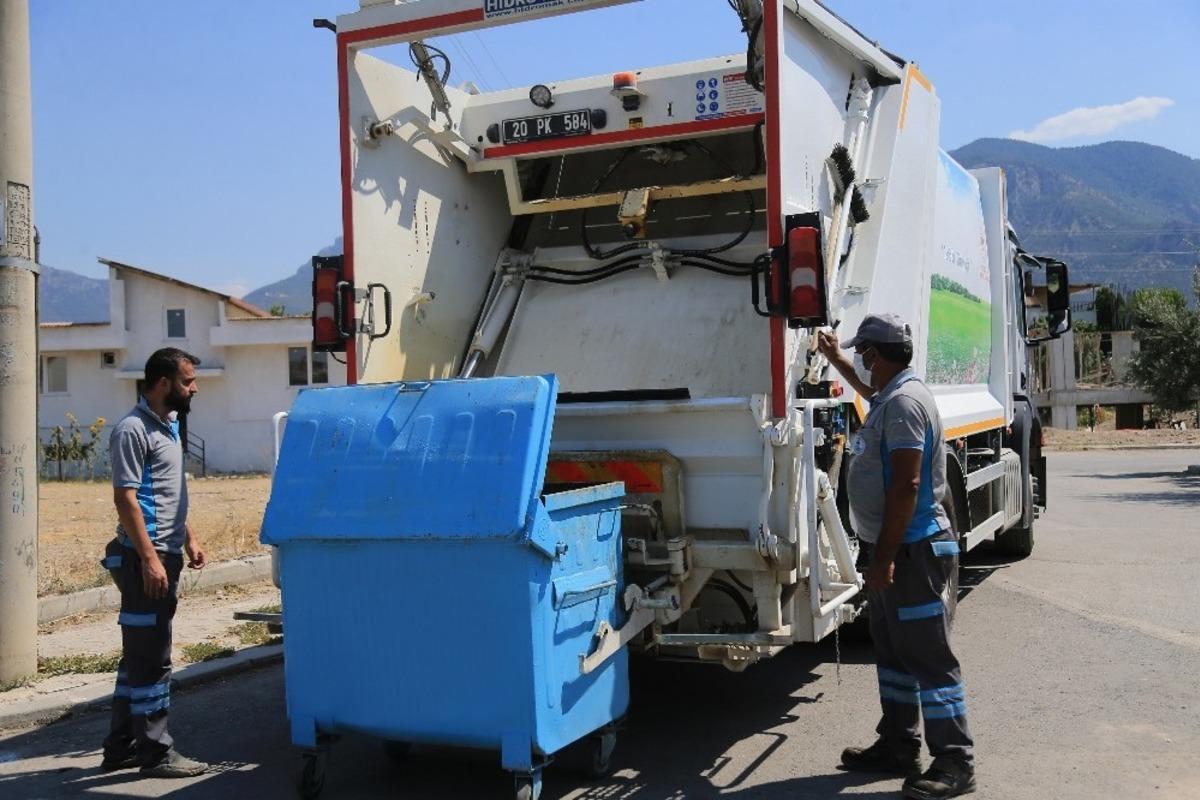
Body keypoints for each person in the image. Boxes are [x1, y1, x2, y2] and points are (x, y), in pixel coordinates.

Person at [817, 314, 976, 800]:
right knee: (894, 652)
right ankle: (898, 746)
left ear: (876, 355)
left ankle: (955, 762)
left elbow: (907, 486)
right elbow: (867, 391)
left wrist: (883, 558)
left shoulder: (905, 404)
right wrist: (836, 359)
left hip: (912, 550)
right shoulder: (891, 395)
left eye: (863, 354)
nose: (862, 361)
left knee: (927, 656)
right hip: (893, 549)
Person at [99, 348, 209, 778]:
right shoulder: (132, 430)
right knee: (152, 660)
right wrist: (150, 559)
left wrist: (189, 538)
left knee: (137, 658)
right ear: (163, 383)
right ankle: (157, 753)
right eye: (187, 381)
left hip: (165, 553)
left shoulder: (171, 426)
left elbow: (166, 494)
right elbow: (126, 499)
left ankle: (120, 747)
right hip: (145, 559)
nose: (193, 388)